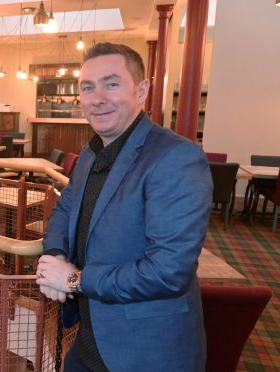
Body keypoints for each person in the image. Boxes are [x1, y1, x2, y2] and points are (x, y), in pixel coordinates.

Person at [36, 43, 212, 371]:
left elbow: (168, 272)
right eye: (88, 87)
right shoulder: (91, 153)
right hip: (89, 339)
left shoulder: (176, 157)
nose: (98, 98)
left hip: (145, 349)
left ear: (141, 90)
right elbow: (65, 208)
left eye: (112, 84)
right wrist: (55, 255)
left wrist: (73, 279)